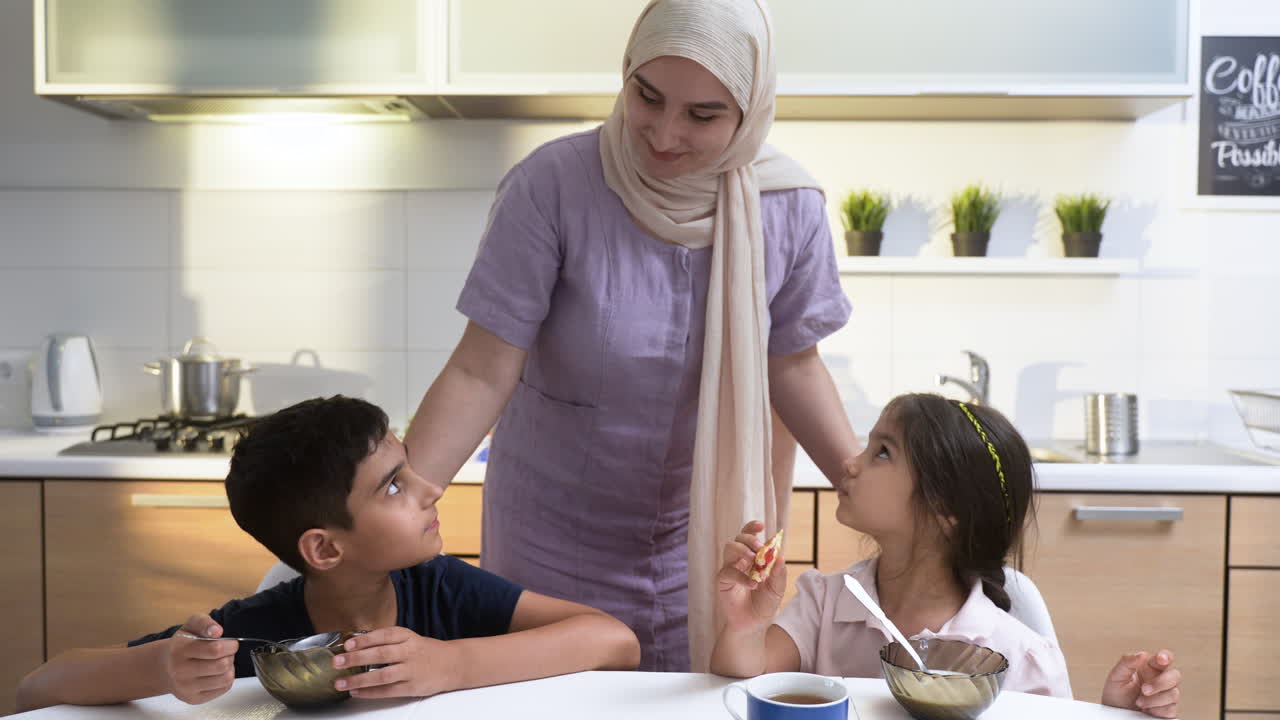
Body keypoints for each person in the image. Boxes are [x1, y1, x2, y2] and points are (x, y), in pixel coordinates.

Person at [403, 0, 857, 672]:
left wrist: (859, 482)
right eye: (646, 96)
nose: (666, 133)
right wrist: (404, 496)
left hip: (705, 544)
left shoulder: (787, 206)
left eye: (703, 114)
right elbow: (481, 369)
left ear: (750, 109)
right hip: (551, 542)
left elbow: (791, 366)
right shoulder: (552, 186)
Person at [15, 396, 640, 712]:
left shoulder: (439, 588)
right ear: (323, 548)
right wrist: (163, 670)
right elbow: (37, 688)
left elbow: (615, 642)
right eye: (394, 484)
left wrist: (447, 665)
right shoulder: (264, 638)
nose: (429, 489)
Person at [710, 393, 1183, 718]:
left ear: (945, 507)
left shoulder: (1019, 658)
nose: (850, 462)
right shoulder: (825, 603)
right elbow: (740, 683)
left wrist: (1114, 713)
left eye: (881, 452)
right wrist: (745, 626)